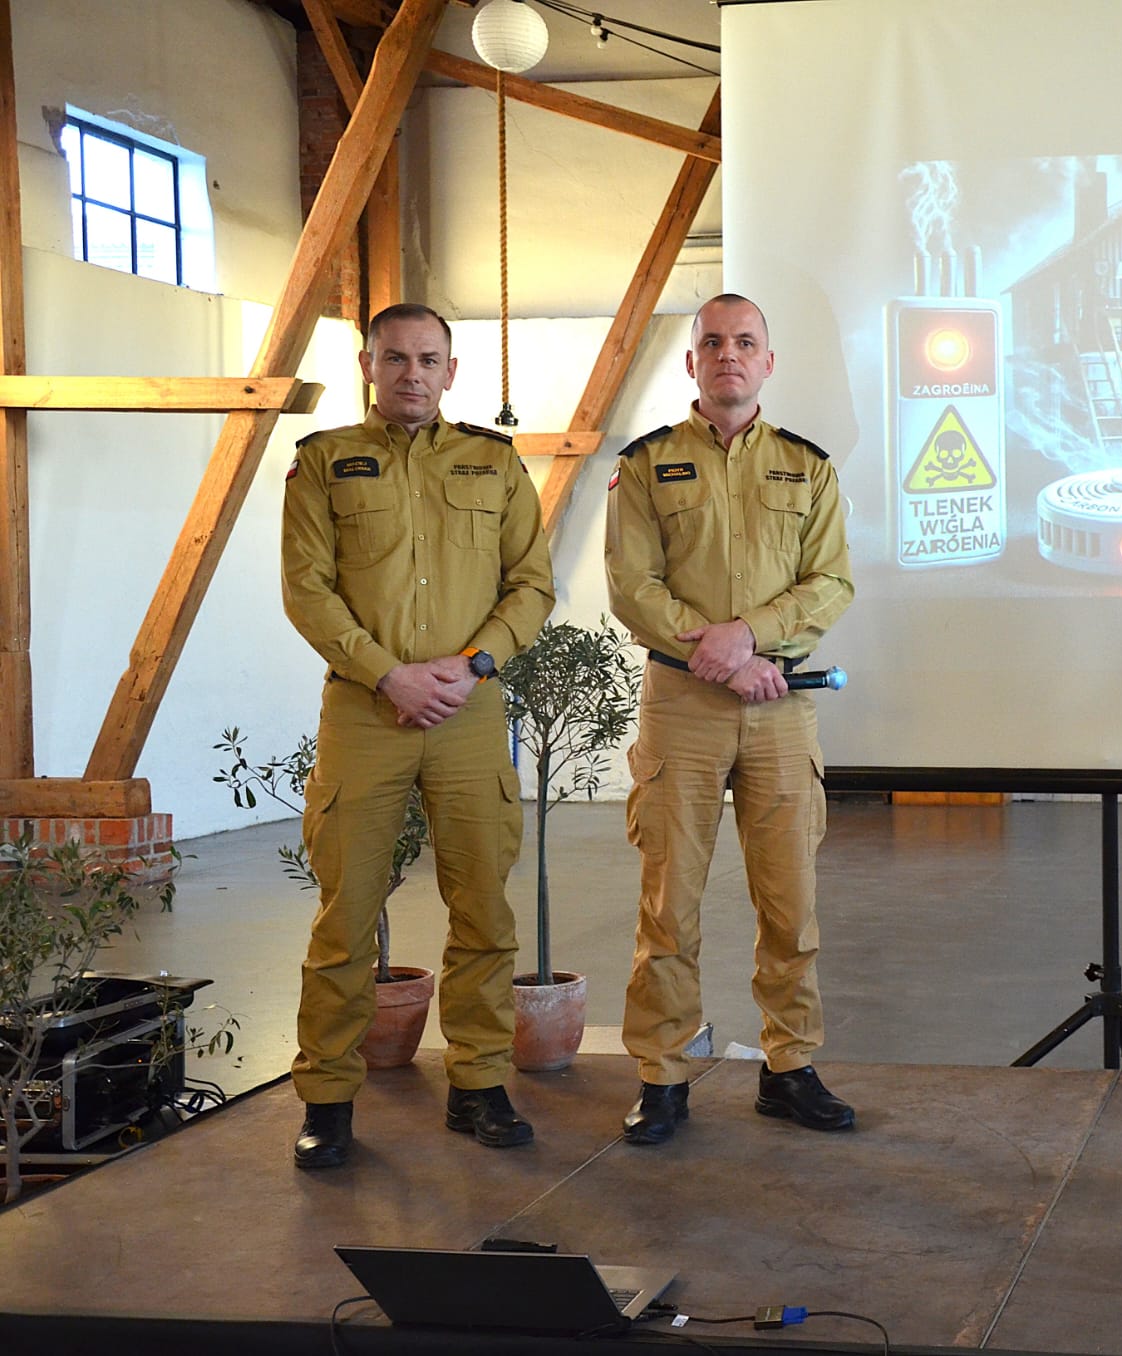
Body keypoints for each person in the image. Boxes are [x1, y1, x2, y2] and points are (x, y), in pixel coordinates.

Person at [280, 303, 556, 1170]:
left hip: (469, 712)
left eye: (428, 359)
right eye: (395, 357)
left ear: (451, 370)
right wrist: (387, 674)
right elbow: (307, 590)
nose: (412, 373)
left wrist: (473, 665)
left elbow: (531, 585)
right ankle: (328, 1098)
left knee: (483, 908)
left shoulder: (494, 462)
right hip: (366, 713)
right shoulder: (323, 462)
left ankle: (479, 1083)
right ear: (369, 364)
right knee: (345, 914)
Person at [604, 293, 856, 1143]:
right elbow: (632, 586)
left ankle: (790, 1067)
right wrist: (719, 654)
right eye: (712, 342)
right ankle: (663, 1075)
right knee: (668, 904)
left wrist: (751, 637)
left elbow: (831, 582)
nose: (728, 355)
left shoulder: (806, 467)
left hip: (779, 709)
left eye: (746, 342)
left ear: (768, 362)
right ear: (692, 362)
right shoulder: (647, 465)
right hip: (683, 706)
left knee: (790, 903)